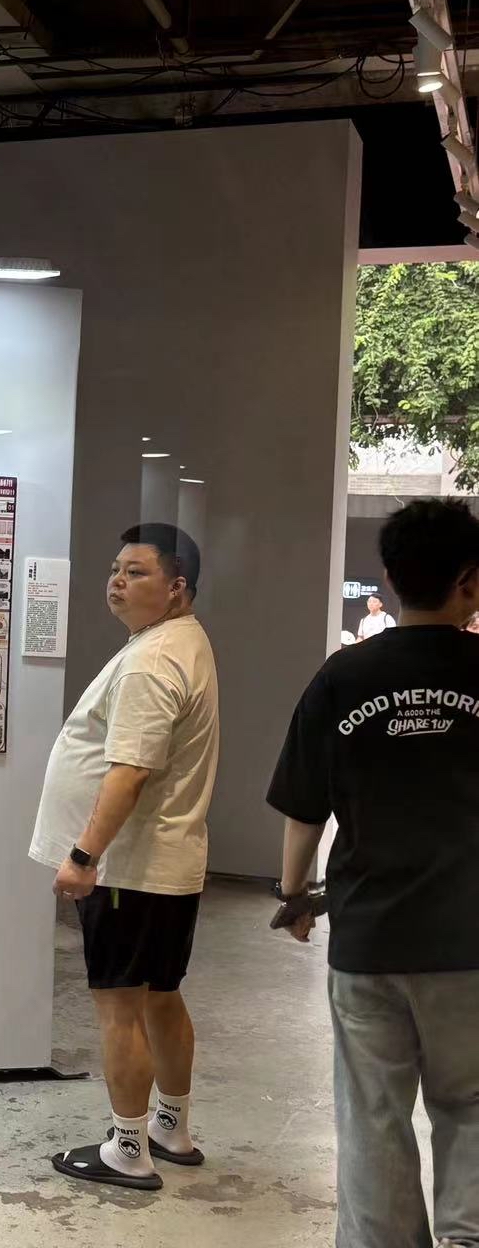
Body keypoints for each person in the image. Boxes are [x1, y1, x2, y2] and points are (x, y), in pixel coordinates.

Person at [268, 498, 479, 1248]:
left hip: (370, 939)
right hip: (471, 941)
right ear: (469, 580)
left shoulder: (344, 676)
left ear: (389, 580)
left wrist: (294, 894)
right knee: (472, 1102)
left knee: (372, 1112)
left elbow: (303, 810)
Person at [28, 523, 220, 1192]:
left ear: (176, 588)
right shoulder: (179, 642)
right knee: (161, 997)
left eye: (136, 572)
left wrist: (84, 855)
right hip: (165, 864)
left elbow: (130, 770)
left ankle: (128, 1150)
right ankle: (172, 1127)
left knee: (119, 1008)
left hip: (128, 870)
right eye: (115, 569)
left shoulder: (151, 661)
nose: (116, 581)